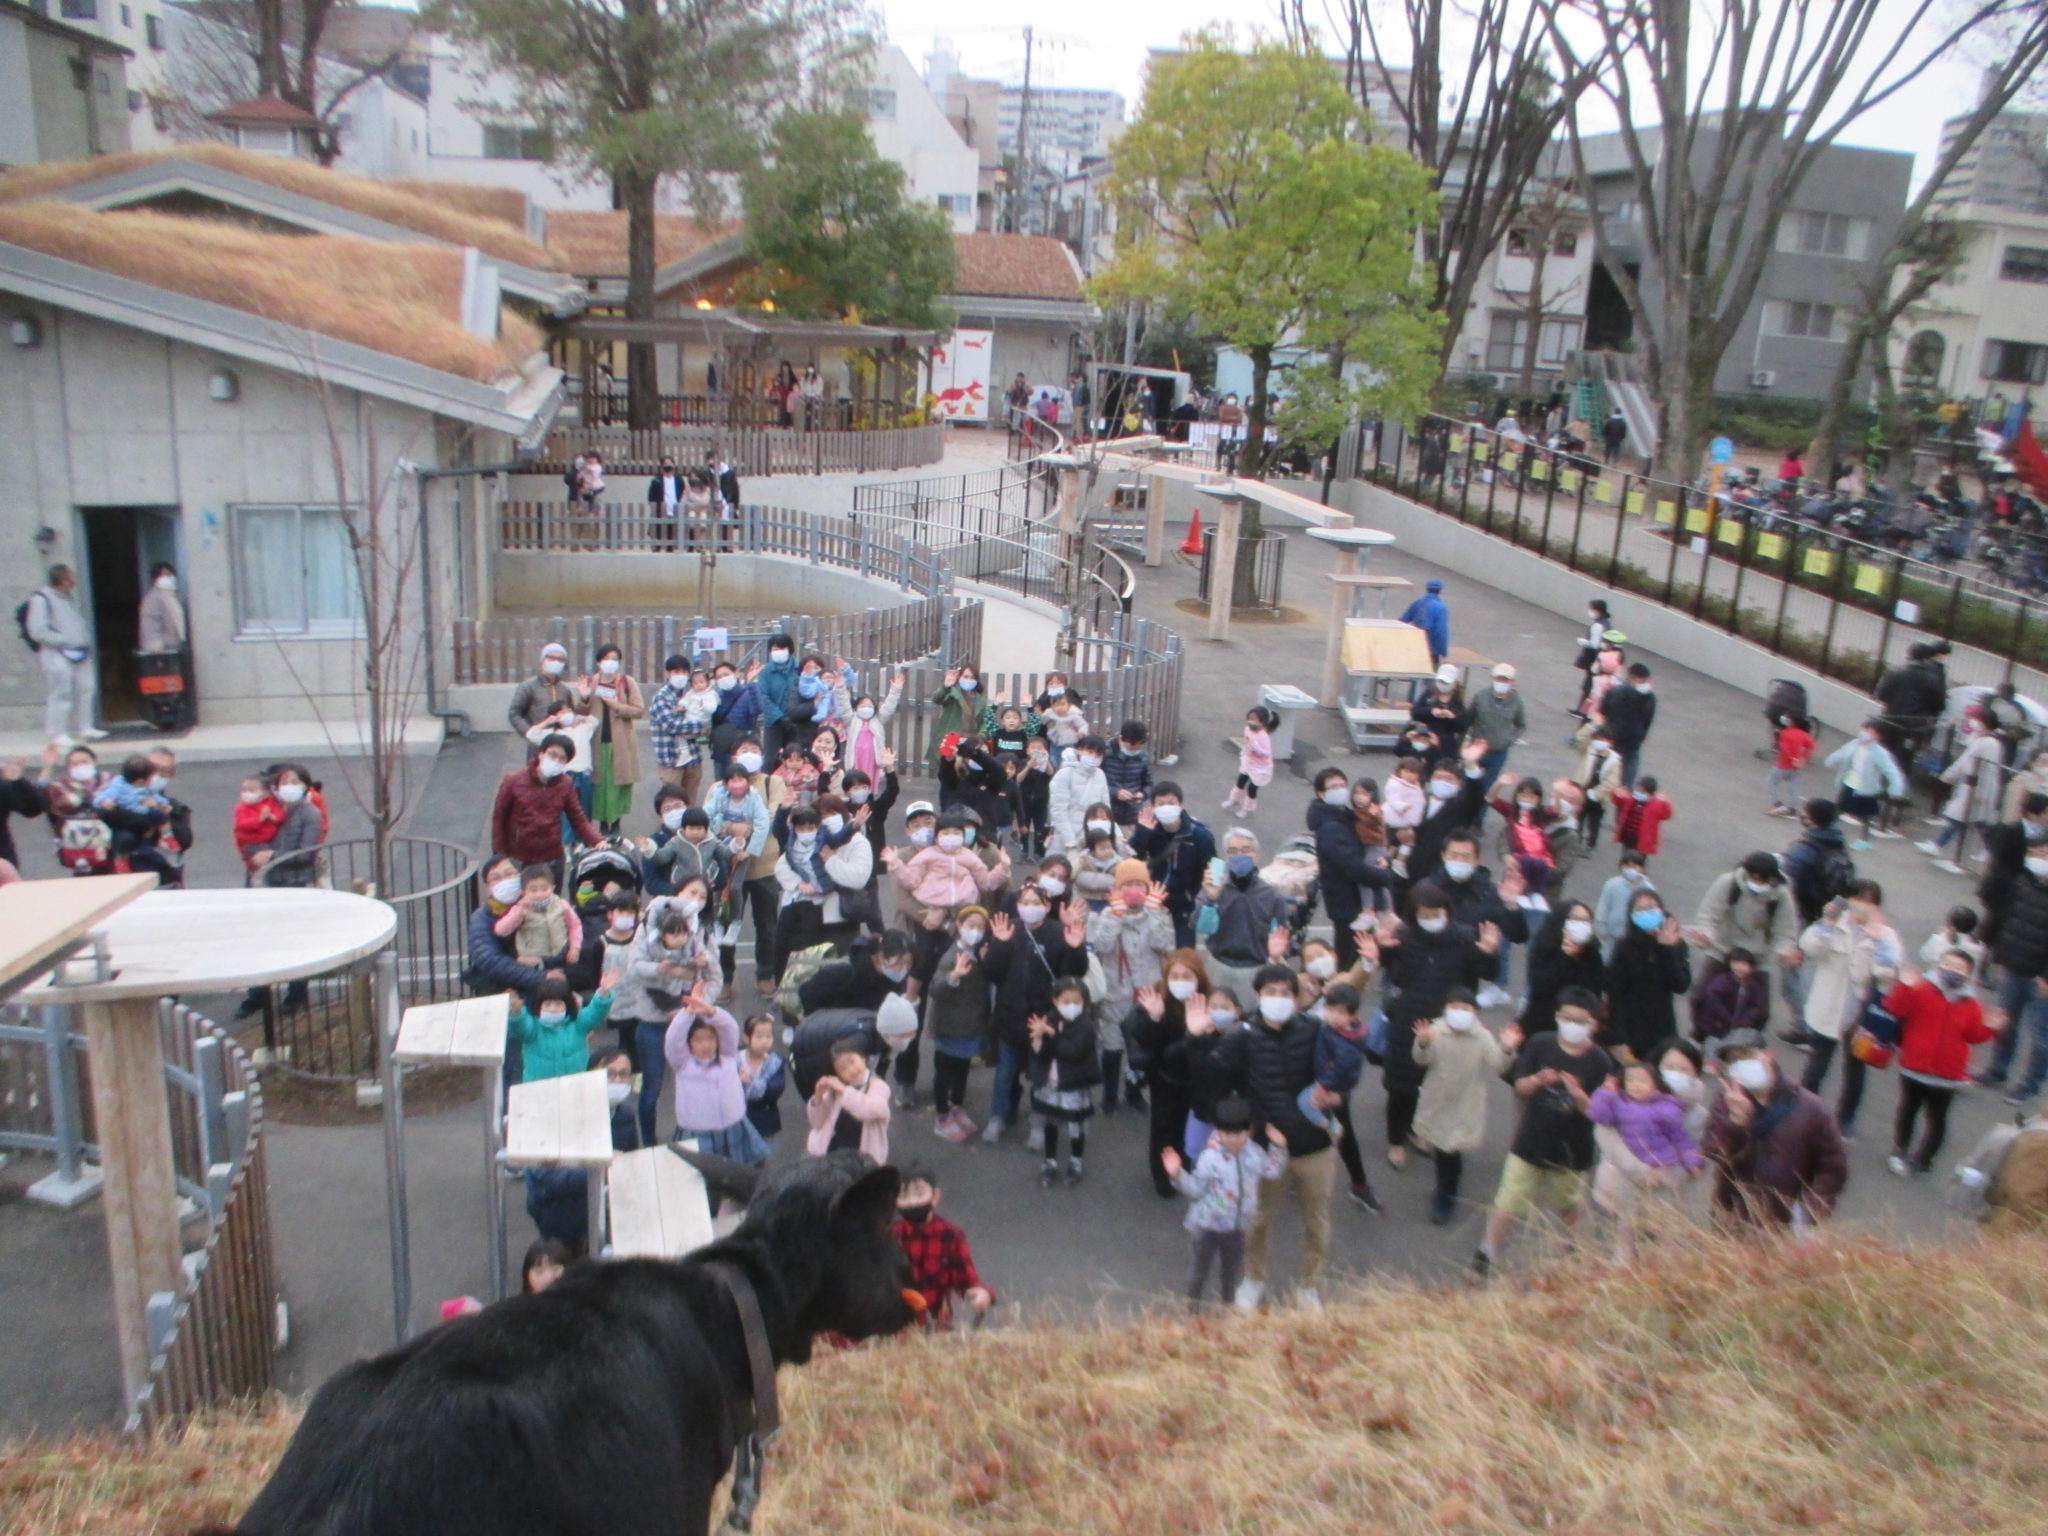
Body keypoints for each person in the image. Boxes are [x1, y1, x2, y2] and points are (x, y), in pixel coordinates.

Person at [1213, 964, 1337, 1311]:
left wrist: (1335, 1096)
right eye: (1270, 992)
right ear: (1257, 996)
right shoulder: (1242, 1035)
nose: (1278, 999)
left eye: (1285, 993)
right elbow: (1218, 1081)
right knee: (1259, 1218)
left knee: (1316, 1219)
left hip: (1314, 1144)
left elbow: (1339, 1070)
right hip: (1265, 1147)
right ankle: (1253, 1279)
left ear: (1297, 999)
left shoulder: (1314, 1030)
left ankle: (1309, 1284)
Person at [1475, 988, 1613, 1277]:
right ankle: (1486, 1251)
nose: (1572, 1025)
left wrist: (1577, 1093)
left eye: (1580, 1020)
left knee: (1568, 1203)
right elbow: (1520, 1087)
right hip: (1530, 1141)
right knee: (1508, 1200)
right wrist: (1538, 1080)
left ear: (1593, 1024)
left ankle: (1572, 1248)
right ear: (1557, 1017)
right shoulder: (1540, 1044)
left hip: (1573, 1150)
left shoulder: (1600, 1062)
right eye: (1567, 1018)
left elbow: (1596, 1113)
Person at [1371, 884, 1496, 1166]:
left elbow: (1485, 971)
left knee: (1434, 1082)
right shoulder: (1403, 936)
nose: (1431, 919)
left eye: (1436, 913)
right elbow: (1387, 968)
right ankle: (1396, 1139)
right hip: (1408, 1020)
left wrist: (1489, 952)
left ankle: (1418, 1130)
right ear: (1414, 915)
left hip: (1448, 1023)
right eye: (1425, 914)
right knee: (1401, 1085)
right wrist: (1381, 946)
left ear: (1447, 912)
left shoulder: (1463, 938)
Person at [1705, 1032, 1849, 1231]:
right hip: (1732, 1220)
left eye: (1746, 1055)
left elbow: (1832, 1171)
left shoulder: (1812, 1110)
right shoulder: (1725, 1103)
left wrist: (1807, 1214)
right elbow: (1713, 1152)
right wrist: (1737, 1124)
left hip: (1784, 1226)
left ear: (1769, 1056)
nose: (1740, 1064)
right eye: (1733, 1060)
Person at [1162, 1094, 1287, 1310]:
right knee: (1199, 1272)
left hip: (1237, 1228)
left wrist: (1279, 1147)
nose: (1233, 1138)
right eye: (1227, 1132)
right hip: (1207, 1227)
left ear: (1249, 1131)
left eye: (1239, 1132)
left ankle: (1227, 1311)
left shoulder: (1255, 1154)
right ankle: (1192, 1311)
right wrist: (1177, 1175)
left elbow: (1272, 1171)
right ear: (1218, 1130)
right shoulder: (1210, 1159)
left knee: (1231, 1275)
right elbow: (1195, 1190)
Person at [1795, 881, 1899, 1134]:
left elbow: (1888, 973)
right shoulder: (1833, 924)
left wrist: (1877, 942)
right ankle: (1804, 1114)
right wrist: (1826, 923)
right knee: (1816, 1065)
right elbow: (1809, 947)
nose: (1864, 906)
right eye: (1859, 899)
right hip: (1827, 1008)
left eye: (1871, 901)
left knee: (1855, 1071)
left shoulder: (1885, 935)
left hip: (1860, 1016)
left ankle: (1845, 1121)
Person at [1882, 954, 1996, 1176]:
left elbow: (1973, 1035)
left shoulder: (1972, 1004)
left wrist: (1990, 1028)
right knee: (1908, 1110)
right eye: (1947, 964)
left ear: (1968, 974)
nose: (1952, 970)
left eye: (1959, 968)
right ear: (1938, 965)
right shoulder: (1921, 988)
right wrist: (1904, 986)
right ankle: (1900, 1149)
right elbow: (1896, 1008)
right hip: (1914, 1066)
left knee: (1937, 1118)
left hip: (1947, 1073)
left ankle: (1924, 1158)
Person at [1583, 1059, 1703, 1261]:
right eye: (1631, 1080)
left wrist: (1693, 1162)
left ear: (1655, 1084)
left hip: (1662, 1169)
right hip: (1630, 1174)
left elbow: (1681, 1139)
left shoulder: (1667, 1109)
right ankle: (1624, 1260)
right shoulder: (1618, 1103)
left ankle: (1670, 1260)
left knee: (1666, 1220)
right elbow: (1598, 1115)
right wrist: (1605, 1093)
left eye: (1642, 1081)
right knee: (1626, 1220)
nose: (1636, 1085)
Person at [668, 987, 769, 1165]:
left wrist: (712, 1012)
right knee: (701, 1177)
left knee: (741, 1172)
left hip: (734, 1125)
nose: (706, 1045)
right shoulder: (683, 1064)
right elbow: (673, 1039)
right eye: (699, 1040)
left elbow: (729, 1028)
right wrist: (688, 1014)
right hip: (698, 1131)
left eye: (710, 1039)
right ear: (689, 1043)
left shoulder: (727, 1056)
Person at [893, 1167, 994, 1329]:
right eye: (904, 1196)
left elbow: (967, 1281)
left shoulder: (950, 1235)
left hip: (936, 1324)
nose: (912, 1202)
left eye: (919, 1194)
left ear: (935, 1197)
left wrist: (983, 1294)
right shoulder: (890, 1236)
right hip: (896, 1327)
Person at [1603, 887, 1691, 1061]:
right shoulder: (1624, 947)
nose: (1647, 913)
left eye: (1652, 907)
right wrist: (1617, 1036)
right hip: (1630, 1029)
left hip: (1662, 1027)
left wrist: (1665, 949)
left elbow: (1680, 984)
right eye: (1641, 909)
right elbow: (1614, 993)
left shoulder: (1676, 945)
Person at [491, 733, 603, 869]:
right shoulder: (513, 781)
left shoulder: (566, 784)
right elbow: (499, 820)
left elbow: (578, 818)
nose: (556, 761)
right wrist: (499, 856)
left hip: (552, 857)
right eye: (552, 754)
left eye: (562, 758)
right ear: (541, 753)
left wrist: (598, 841)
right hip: (518, 857)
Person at [1028, 977, 1100, 1186]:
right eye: (1066, 1000)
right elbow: (1040, 1054)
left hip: (1074, 1085)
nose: (1072, 1006)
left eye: (1077, 1001)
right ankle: (1050, 1162)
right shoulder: (1049, 1019)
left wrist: (1051, 1036)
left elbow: (1073, 1052)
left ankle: (1076, 1162)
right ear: (1055, 1000)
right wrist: (1038, 1040)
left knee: (1075, 1124)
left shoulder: (1086, 1025)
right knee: (1051, 1122)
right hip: (1051, 1084)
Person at [24, 565, 101, 746]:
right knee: (61, 693)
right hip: (57, 653)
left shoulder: (68, 598)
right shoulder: (41, 599)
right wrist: (64, 640)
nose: (73, 580)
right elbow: (38, 630)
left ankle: (85, 726)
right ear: (61, 579)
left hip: (80, 651)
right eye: (70, 577)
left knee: (86, 688)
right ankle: (57, 732)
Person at [1920, 709, 2008, 868]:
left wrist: (1950, 773)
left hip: (1979, 786)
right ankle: (1990, 850)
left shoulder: (1988, 742)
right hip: (1973, 784)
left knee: (1960, 817)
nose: (1973, 722)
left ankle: (1938, 845)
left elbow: (1966, 758)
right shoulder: (1983, 739)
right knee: (1977, 820)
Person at [1520, 901, 1605, 1037]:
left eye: (1585, 920)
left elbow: (1595, 992)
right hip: (1541, 1024)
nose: (1581, 924)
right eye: (1576, 918)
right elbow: (1539, 986)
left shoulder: (1593, 954)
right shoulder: (1543, 946)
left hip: (1577, 1027)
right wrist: (1565, 957)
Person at [805, 1035, 891, 1162]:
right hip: (832, 1152)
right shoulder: (834, 1091)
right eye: (842, 1069)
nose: (851, 1070)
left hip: (863, 1157)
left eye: (852, 1061)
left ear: (862, 1058)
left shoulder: (877, 1085)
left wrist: (844, 1090)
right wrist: (818, 1098)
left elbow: (872, 1110)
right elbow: (817, 1123)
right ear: (838, 1074)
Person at [1824, 720, 1907, 850]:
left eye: (1870, 732)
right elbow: (1842, 752)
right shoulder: (1854, 744)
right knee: (1839, 809)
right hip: (1849, 782)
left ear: (1878, 736)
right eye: (1864, 730)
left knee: (1866, 815)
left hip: (1867, 788)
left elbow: (1892, 771)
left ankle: (1864, 840)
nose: (1864, 733)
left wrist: (1896, 789)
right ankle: (1829, 834)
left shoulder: (1880, 753)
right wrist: (1831, 760)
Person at [1780, 798, 1856, 928]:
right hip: (1829, 902)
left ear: (1811, 819)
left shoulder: (1804, 848)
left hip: (1805, 907)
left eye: (1805, 813)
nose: (1802, 815)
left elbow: (1787, 879)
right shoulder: (1838, 840)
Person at [647, 657, 711, 804]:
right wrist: (700, 726)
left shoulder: (692, 694)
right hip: (671, 760)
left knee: (690, 804)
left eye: (684, 671)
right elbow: (672, 726)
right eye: (676, 671)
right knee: (671, 805)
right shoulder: (661, 698)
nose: (681, 675)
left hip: (693, 758)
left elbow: (706, 716)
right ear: (667, 673)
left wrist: (699, 725)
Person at [497, 863, 581, 971]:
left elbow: (574, 926)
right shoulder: (520, 909)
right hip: (532, 962)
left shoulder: (561, 904)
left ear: (553, 888)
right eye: (533, 890)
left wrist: (575, 948)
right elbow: (500, 930)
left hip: (560, 956)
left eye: (544, 889)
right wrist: (518, 915)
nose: (540, 894)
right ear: (523, 893)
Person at [1467, 663, 1528, 794]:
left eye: (1506, 679)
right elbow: (1468, 718)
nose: (1502, 682)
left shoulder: (1517, 701)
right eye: (1499, 678)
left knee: (1486, 788)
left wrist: (1509, 739)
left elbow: (1521, 725)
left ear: (1512, 681)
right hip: (1477, 751)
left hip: (1498, 753)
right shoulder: (1480, 696)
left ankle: (1480, 814)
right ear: (1492, 678)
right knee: (1468, 785)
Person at [508, 644, 583, 742]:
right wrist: (528, 731)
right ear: (542, 660)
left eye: (560, 659)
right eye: (551, 658)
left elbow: (571, 713)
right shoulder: (528, 687)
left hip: (562, 742)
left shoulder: (564, 690)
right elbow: (514, 714)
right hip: (538, 742)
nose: (556, 662)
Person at [1601, 663, 1658, 789]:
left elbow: (1604, 710)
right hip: (1621, 742)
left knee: (1621, 783)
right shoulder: (1621, 693)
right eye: (1642, 680)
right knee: (1614, 781)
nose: (1646, 683)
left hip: (1625, 743)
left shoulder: (1649, 697)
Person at [736, 1012, 788, 1148]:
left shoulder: (775, 1063)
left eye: (769, 1037)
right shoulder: (734, 1060)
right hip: (736, 1120)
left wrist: (752, 1082)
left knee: (760, 1157)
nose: (765, 1041)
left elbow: (775, 1089)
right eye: (759, 1037)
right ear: (746, 1038)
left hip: (763, 1120)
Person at [1693, 947, 1768, 1041]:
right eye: (1736, 963)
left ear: (1751, 967)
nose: (1740, 967)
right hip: (1718, 1026)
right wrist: (1727, 1018)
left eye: (1744, 964)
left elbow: (1757, 1006)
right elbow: (1712, 999)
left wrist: (1745, 1021)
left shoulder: (1754, 986)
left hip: (1741, 1028)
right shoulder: (1722, 980)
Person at [1592, 848, 1652, 956]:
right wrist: (1601, 927)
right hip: (1613, 934)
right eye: (1627, 866)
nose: (1630, 869)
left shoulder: (1648, 889)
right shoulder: (1612, 885)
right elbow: (1603, 907)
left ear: (1642, 868)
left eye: (1634, 866)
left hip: (1636, 937)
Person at [1225, 706, 1276, 820]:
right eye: (1249, 719)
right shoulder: (1248, 729)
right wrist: (1247, 748)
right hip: (1249, 762)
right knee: (1240, 782)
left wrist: (1256, 747)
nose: (1251, 722)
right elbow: (1247, 741)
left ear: (1262, 723)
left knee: (1252, 789)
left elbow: (1266, 753)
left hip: (1260, 767)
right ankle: (1234, 799)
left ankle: (1246, 809)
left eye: (1254, 720)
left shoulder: (1263, 737)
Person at [1102, 720, 1154, 826]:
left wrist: (1142, 794)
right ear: (1121, 739)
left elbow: (1149, 784)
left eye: (1138, 748)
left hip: (1133, 816)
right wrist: (1115, 792)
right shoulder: (1105, 753)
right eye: (1131, 748)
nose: (1134, 751)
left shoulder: (1143, 757)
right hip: (1108, 814)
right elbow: (1095, 783)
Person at [1613, 775, 1674, 860]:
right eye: (1638, 790)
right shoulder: (1630, 799)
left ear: (1651, 793)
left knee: (1639, 860)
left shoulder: (1656, 805)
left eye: (1642, 791)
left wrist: (1666, 802)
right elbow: (1618, 801)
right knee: (1625, 857)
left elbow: (1667, 815)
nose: (1639, 793)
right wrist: (1616, 794)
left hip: (1643, 839)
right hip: (1628, 835)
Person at [1768, 712, 1817, 818]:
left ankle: (1777, 804)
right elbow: (1811, 745)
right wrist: (1802, 758)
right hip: (1795, 767)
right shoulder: (1804, 734)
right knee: (1793, 787)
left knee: (1772, 782)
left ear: (1792, 721)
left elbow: (1785, 749)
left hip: (1783, 764)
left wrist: (1792, 758)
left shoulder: (1785, 733)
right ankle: (1793, 809)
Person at [1399, 577, 1451, 666]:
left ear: (1427, 589)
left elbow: (1403, 621)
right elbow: (1441, 632)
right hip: (1431, 648)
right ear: (1441, 591)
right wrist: (1443, 653)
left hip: (1415, 645)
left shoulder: (1417, 603)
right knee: (1430, 674)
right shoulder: (1440, 608)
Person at [138, 562, 186, 655]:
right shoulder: (153, 598)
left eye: (170, 574)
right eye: (165, 575)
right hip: (161, 650)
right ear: (156, 579)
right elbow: (149, 624)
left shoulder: (171, 596)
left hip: (173, 647)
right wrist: (155, 647)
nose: (169, 578)